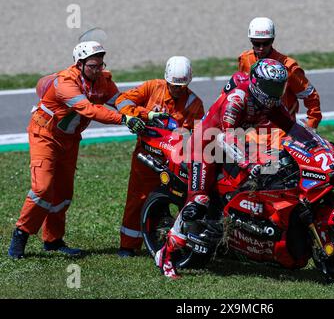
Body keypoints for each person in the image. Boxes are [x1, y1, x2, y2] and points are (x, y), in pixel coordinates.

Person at [155, 58, 301, 278]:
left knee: (274, 171)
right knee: (198, 201)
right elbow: (225, 137)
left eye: (278, 87)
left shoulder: (269, 101)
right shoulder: (237, 99)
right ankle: (166, 253)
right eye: (270, 86)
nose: (274, 92)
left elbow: (292, 127)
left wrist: (315, 145)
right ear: (256, 82)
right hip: (205, 146)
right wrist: (247, 163)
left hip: (235, 143)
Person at [7, 41, 145, 259]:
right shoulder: (66, 83)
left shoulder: (102, 80)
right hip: (45, 136)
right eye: (93, 65)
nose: (98, 69)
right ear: (79, 64)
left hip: (69, 140)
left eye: (101, 64)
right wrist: (124, 119)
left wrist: (141, 113)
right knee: (42, 189)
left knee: (62, 193)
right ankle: (20, 235)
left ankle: (53, 241)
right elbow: (88, 109)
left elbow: (119, 99)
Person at [116, 56, 205, 257]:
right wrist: (144, 114)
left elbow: (199, 136)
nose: (177, 90)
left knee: (171, 200)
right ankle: (128, 246)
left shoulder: (194, 104)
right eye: (174, 86)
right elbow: (122, 101)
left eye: (181, 86)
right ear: (166, 80)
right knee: (137, 199)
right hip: (146, 157)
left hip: (174, 162)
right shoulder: (151, 88)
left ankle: (164, 238)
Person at [238, 17, 322, 128]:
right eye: (257, 43)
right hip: (255, 130)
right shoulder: (245, 59)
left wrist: (311, 125)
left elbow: (311, 96)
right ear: (251, 41)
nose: (261, 48)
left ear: (272, 40)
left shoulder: (288, 66)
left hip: (282, 131)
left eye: (266, 43)